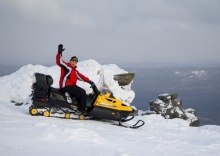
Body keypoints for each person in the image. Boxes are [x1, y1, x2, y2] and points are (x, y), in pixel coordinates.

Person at [56, 44, 95, 113]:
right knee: (83, 92)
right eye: (72, 61)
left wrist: (90, 81)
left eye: (75, 62)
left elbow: (81, 77)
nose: (74, 63)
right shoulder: (66, 67)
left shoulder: (75, 71)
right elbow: (59, 61)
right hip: (66, 86)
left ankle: (75, 107)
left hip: (71, 86)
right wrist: (59, 53)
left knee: (79, 94)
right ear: (70, 61)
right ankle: (82, 110)